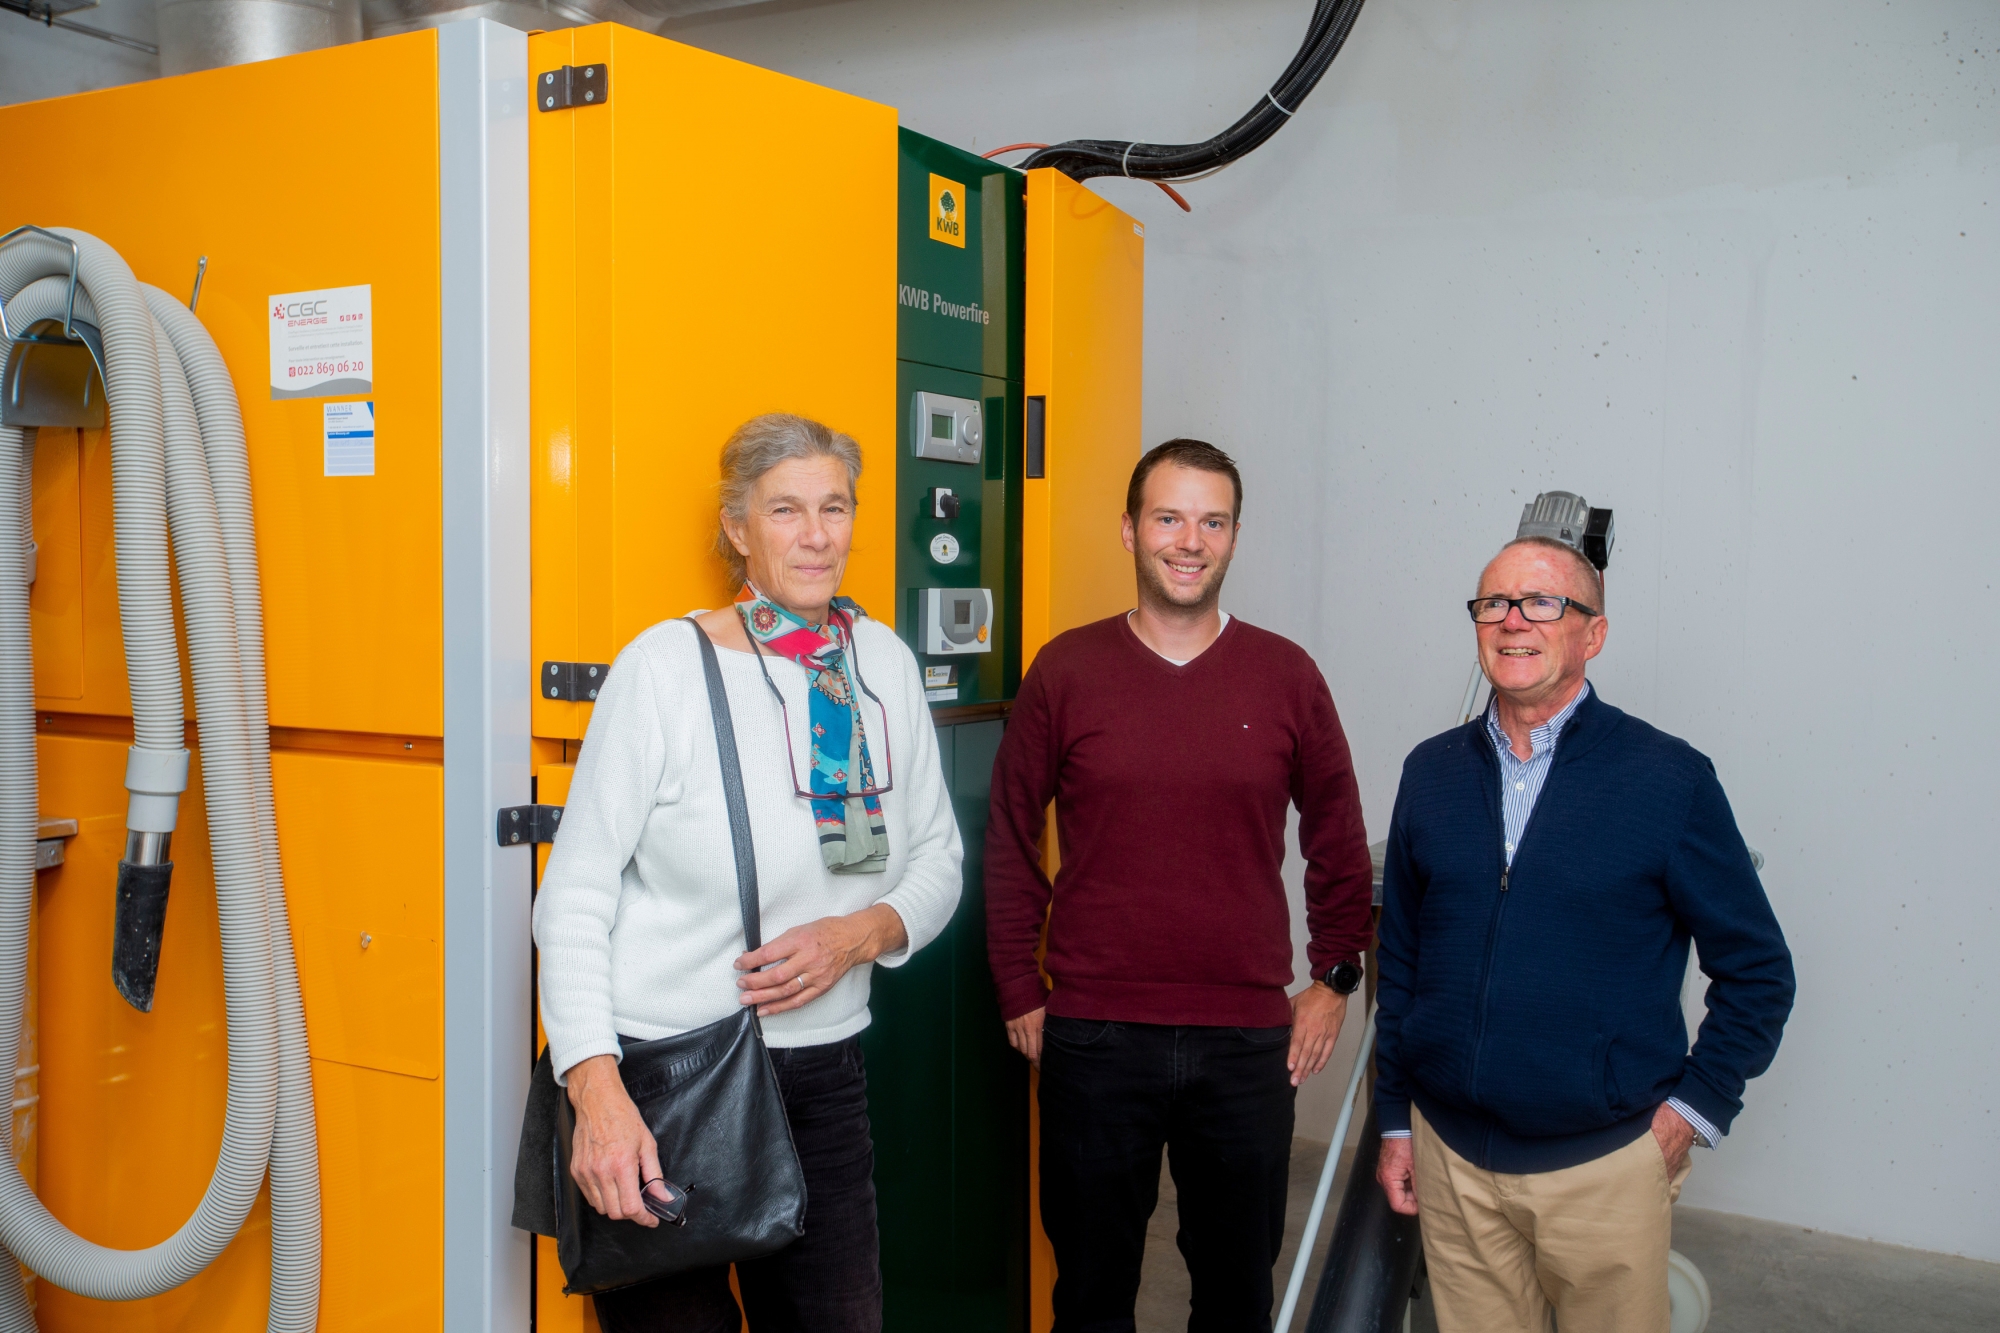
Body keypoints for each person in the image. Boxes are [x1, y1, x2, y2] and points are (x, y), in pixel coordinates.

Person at [532, 413, 963, 1333]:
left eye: (834, 507)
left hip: (823, 1078)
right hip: (666, 1080)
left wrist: (859, 933)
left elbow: (937, 860)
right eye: (786, 509)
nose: (816, 534)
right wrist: (595, 1087)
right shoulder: (663, 668)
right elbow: (574, 894)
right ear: (739, 528)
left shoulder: (878, 662)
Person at [985, 438, 1375, 1332]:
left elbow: (1338, 840)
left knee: (1236, 1293)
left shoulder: (1287, 675)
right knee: (1088, 1291)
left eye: (1212, 520)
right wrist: (1018, 982)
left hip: (1244, 1042)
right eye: (1168, 517)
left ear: (1234, 536)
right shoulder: (1066, 671)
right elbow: (1008, 837)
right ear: (1129, 531)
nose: (1188, 540)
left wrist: (1333, 979)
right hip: (1093, 1036)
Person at [1372, 535, 1795, 1333]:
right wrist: (1398, 1120)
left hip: (1604, 1167)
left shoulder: (1668, 779)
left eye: (1543, 602)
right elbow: (1403, 961)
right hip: (1452, 1162)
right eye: (1493, 602)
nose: (1513, 621)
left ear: (1592, 633)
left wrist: (1692, 1112)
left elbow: (1759, 970)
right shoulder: (1429, 772)